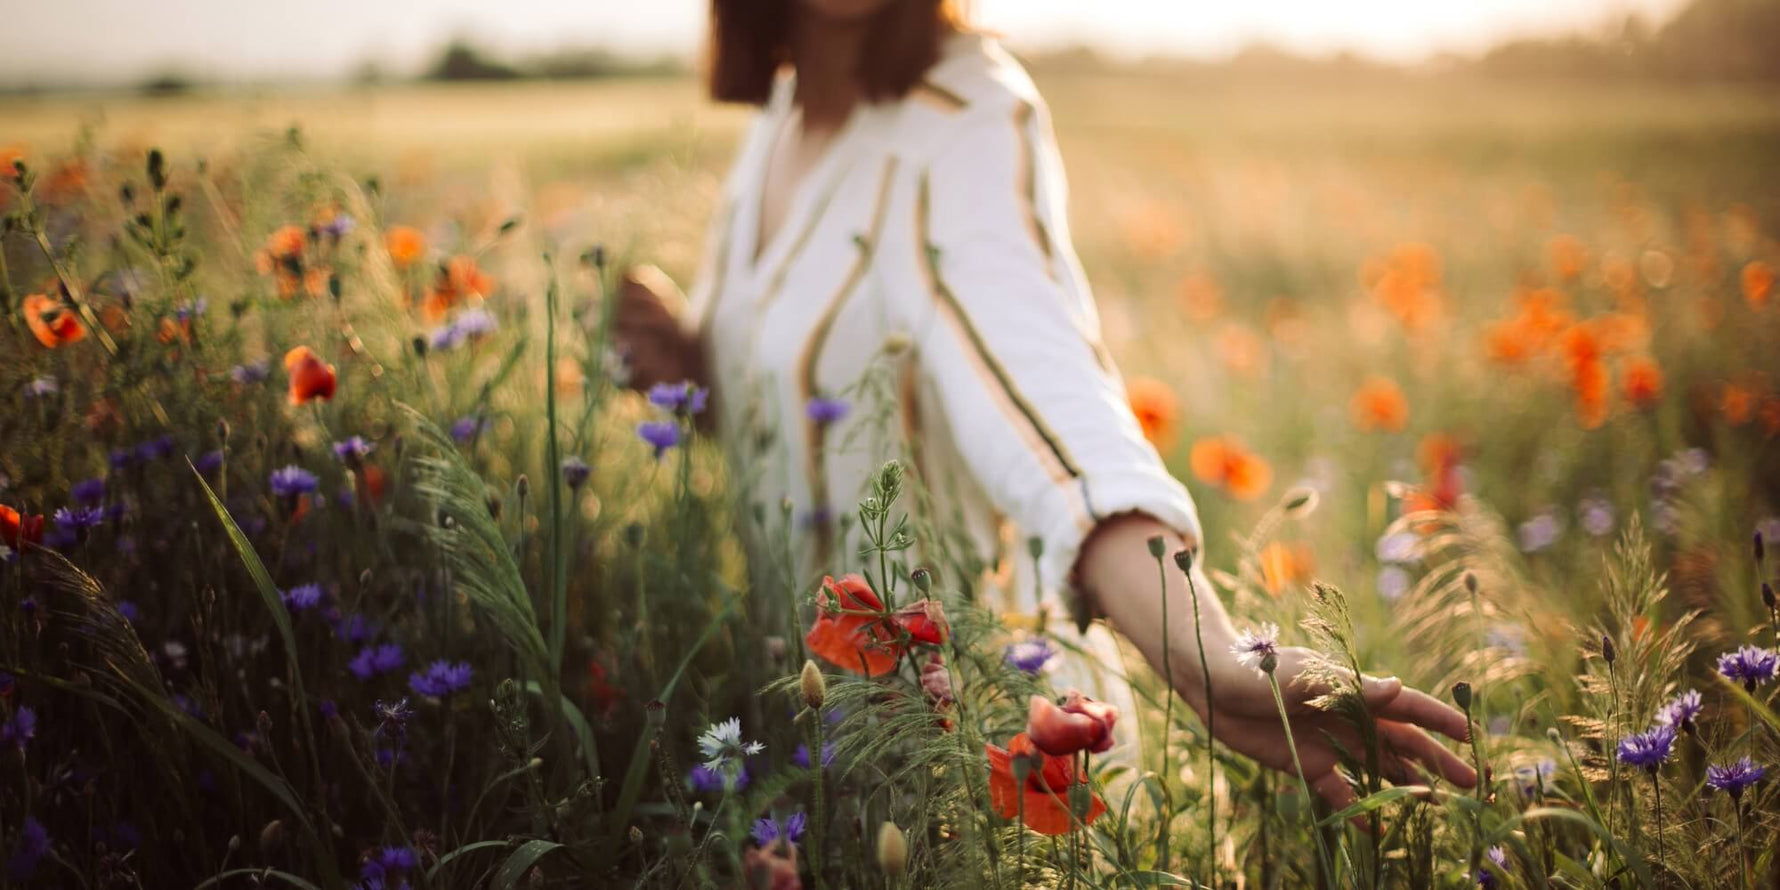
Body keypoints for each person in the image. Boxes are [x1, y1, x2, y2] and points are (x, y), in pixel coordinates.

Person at [613, 0, 1476, 809]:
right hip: (819, 750)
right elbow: (809, 409)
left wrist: (1197, 648)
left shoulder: (965, 116)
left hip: (999, 770)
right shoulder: (779, 122)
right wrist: (694, 371)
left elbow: (1045, 395)